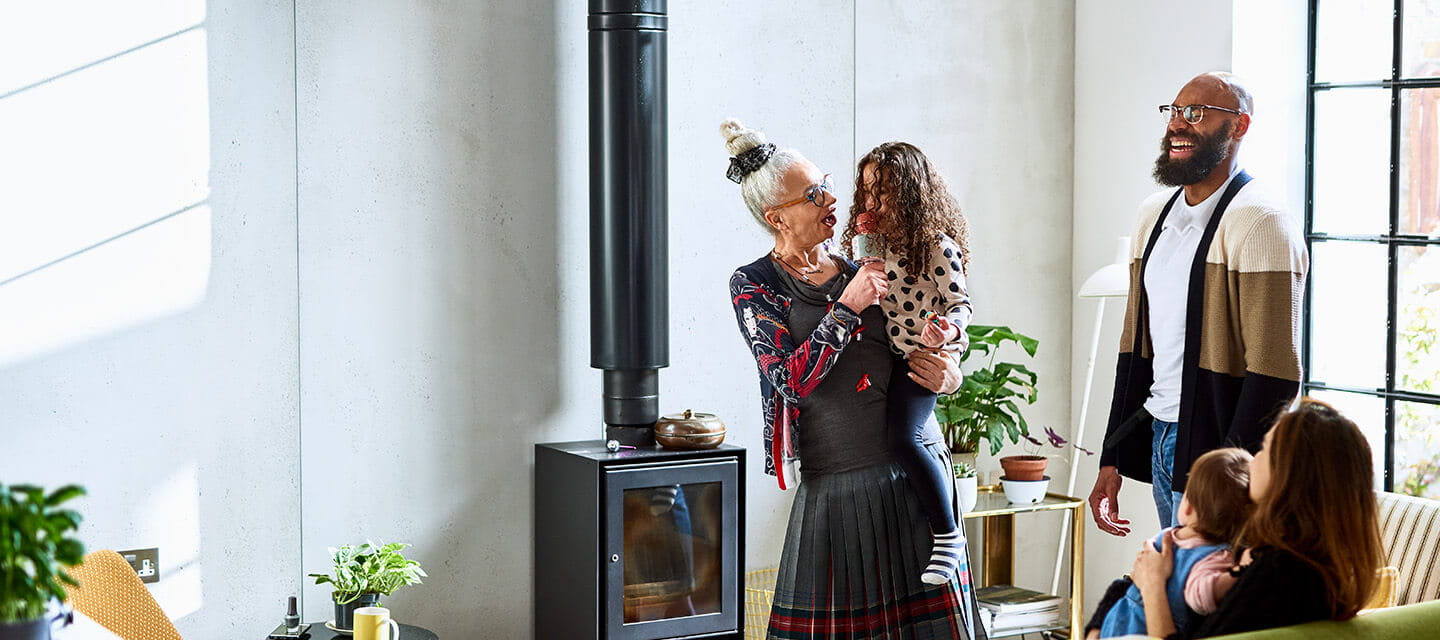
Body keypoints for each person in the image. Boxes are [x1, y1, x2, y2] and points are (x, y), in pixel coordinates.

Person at [722, 118, 986, 639]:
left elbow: (924, 326)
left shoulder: (862, 266)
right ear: (779, 217)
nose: (831, 199)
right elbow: (789, 381)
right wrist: (846, 308)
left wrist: (951, 370)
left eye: (827, 186)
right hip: (837, 487)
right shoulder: (754, 285)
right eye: (814, 194)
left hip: (913, 478)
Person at [1089, 72, 1308, 536]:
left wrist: (1230, 476)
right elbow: (1134, 349)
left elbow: (1275, 373)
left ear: (1239, 126)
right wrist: (1112, 458)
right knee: (1180, 594)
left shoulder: (1259, 221)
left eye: (1196, 113)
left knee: (1209, 596)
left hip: (1218, 451)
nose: (1178, 125)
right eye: (1173, 112)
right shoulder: (1154, 214)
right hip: (1164, 437)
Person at [1086, 398, 1384, 639]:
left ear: (1291, 476)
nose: (1254, 457)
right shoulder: (1276, 551)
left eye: (1266, 449)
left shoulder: (1281, 574)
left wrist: (1152, 584)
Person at [840, 142, 974, 585]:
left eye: (886, 193)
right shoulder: (872, 247)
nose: (874, 203)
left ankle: (948, 534)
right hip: (894, 354)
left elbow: (961, 305)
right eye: (868, 193)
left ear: (914, 194)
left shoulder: (936, 246)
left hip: (926, 353)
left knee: (904, 436)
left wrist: (947, 335)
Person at [1094, 448, 1253, 638]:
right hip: (1142, 629)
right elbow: (1202, 597)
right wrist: (1235, 575)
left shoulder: (1167, 536)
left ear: (1188, 508)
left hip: (1118, 621)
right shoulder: (1216, 558)